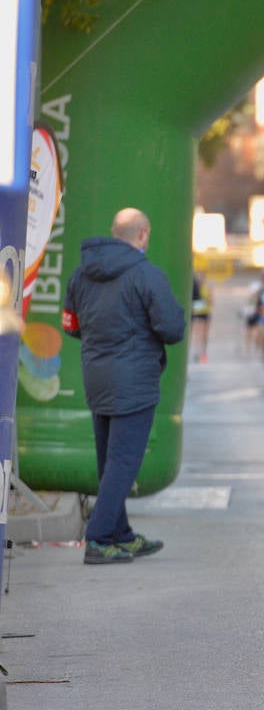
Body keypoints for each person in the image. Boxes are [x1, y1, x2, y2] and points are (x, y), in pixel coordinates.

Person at [61, 208, 185, 564]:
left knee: (110, 462)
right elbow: (172, 329)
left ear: (114, 232)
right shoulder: (147, 275)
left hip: (96, 376)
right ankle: (98, 539)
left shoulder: (81, 274)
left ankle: (122, 535)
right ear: (142, 234)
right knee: (124, 462)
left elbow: (70, 324)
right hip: (134, 379)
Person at [190, 272, 211, 363]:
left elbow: (211, 301)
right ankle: (197, 352)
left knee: (204, 334)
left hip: (204, 312)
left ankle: (203, 352)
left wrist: (205, 301)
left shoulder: (207, 288)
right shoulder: (196, 288)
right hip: (197, 312)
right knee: (197, 333)